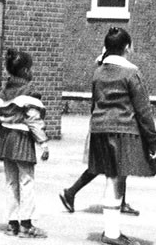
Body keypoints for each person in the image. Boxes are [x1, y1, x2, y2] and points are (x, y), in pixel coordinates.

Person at [87, 26, 156, 245]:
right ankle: (112, 233)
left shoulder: (98, 72)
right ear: (127, 47)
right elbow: (143, 110)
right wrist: (152, 140)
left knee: (110, 178)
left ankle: (111, 230)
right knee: (117, 180)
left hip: (99, 128)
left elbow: (93, 103)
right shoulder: (131, 73)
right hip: (123, 130)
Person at [59, 48, 139, 216]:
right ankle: (72, 192)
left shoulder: (100, 74)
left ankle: (73, 192)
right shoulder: (114, 75)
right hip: (111, 126)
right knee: (108, 165)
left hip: (101, 124)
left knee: (108, 165)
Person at [0, 48, 49, 238]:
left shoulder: (4, 91)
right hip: (22, 140)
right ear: (25, 71)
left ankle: (12, 223)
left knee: (11, 182)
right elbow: (33, 119)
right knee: (26, 181)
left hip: (5, 140)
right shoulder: (28, 92)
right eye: (30, 69)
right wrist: (43, 142)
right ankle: (26, 225)